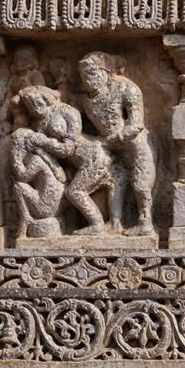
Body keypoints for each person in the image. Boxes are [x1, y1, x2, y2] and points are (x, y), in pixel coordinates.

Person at [19, 86, 121, 236]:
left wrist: (45, 143)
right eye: (30, 105)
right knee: (68, 191)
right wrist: (42, 150)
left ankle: (97, 225)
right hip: (76, 165)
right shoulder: (40, 125)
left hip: (93, 157)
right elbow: (49, 154)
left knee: (74, 192)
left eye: (36, 101)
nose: (35, 107)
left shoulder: (67, 111)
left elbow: (68, 149)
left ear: (44, 98)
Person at [78, 51, 156, 236]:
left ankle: (145, 224)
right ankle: (114, 224)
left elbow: (136, 124)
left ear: (107, 71)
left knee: (141, 186)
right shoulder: (87, 100)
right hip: (109, 149)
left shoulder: (126, 88)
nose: (88, 80)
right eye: (84, 76)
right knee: (114, 183)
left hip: (135, 146)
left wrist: (110, 141)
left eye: (93, 73)